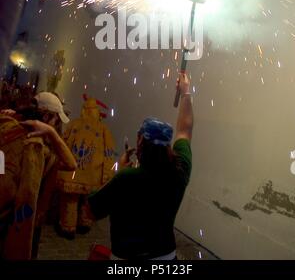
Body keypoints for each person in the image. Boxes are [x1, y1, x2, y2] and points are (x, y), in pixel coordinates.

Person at [88, 73, 193, 260]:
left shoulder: (125, 177)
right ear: (168, 145)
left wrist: (118, 171)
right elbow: (185, 129)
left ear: (140, 140)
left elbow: (90, 212)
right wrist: (186, 93)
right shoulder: (179, 170)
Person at [0, 92, 77, 260]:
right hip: (17, 220)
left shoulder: (10, 126)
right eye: (55, 120)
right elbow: (72, 164)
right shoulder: (36, 147)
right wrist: (51, 133)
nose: (56, 125)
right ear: (47, 116)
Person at [56, 95, 115, 239]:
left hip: (72, 172)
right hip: (92, 174)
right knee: (88, 200)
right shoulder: (103, 129)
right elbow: (109, 153)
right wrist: (107, 175)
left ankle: (68, 228)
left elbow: (63, 143)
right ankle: (84, 224)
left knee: (70, 200)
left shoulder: (74, 124)